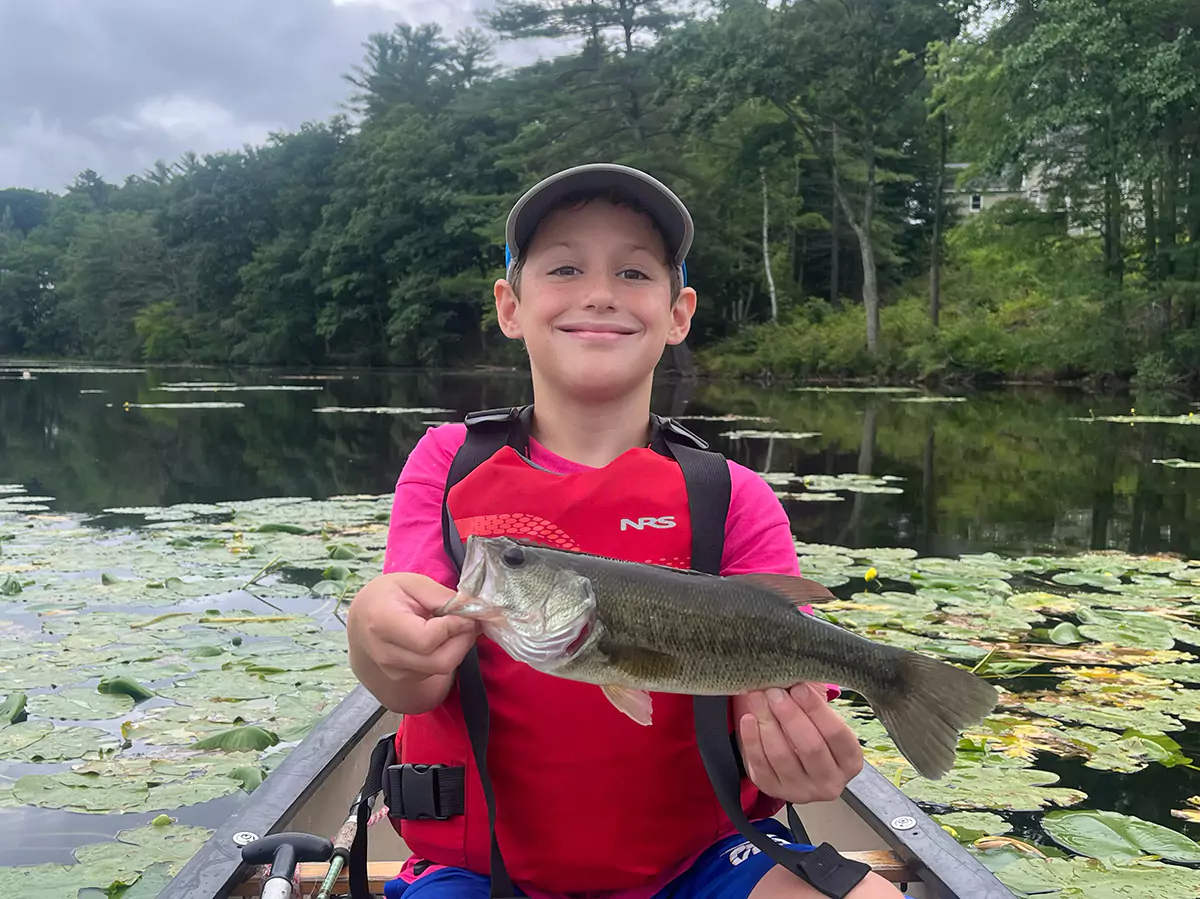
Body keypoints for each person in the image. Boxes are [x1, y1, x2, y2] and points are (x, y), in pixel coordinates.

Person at [346, 163, 906, 899]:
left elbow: (771, 693)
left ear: (679, 314)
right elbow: (409, 679)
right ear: (511, 306)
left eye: (635, 271)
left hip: (702, 859)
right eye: (566, 266)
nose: (600, 292)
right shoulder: (449, 463)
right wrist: (371, 635)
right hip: (481, 869)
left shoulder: (731, 496)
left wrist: (795, 756)